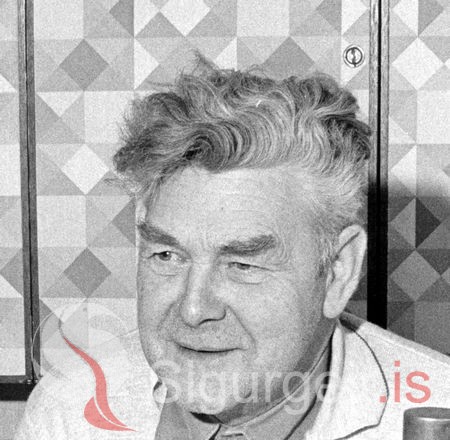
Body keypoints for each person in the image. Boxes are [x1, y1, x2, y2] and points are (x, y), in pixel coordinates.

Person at [15, 56, 450, 440]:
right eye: (167, 255)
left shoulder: (438, 406)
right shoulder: (68, 410)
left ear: (338, 270)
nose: (193, 309)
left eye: (242, 264)